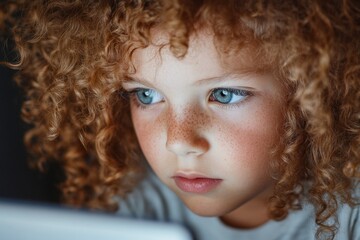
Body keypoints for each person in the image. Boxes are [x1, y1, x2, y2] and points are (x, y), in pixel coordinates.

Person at [1, 0, 359, 239]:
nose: (178, 140)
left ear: (314, 93)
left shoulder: (350, 215)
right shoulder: (137, 203)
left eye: (224, 94)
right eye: (146, 95)